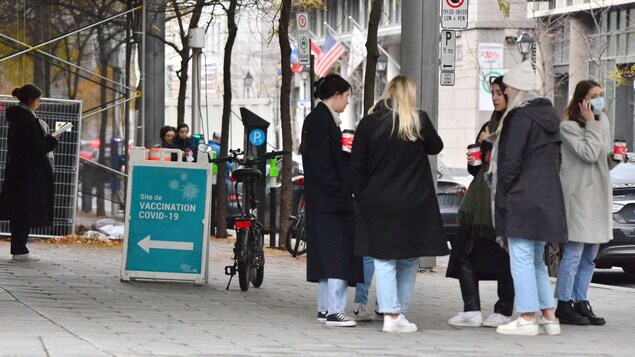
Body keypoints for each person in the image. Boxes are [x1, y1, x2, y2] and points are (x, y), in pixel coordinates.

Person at [350, 75, 448, 333]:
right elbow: (436, 147)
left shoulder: (370, 122)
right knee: (408, 257)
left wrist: (360, 195)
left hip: (378, 200)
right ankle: (397, 311)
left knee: (383, 258)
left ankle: (392, 313)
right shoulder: (417, 120)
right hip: (413, 202)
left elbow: (356, 165)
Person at [492, 61, 567, 336]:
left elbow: (510, 162)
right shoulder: (549, 117)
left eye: (508, 89)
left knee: (522, 257)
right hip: (547, 195)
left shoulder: (519, 118)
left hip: (523, 197)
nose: (506, 93)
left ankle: (526, 318)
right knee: (536, 259)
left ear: (517, 89)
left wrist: (506, 191)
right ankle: (549, 317)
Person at [446, 76, 515, 328]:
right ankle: (471, 309)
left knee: (504, 259)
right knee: (463, 254)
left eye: (499, 92)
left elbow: (508, 159)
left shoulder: (513, 124)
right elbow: (479, 168)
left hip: (500, 204)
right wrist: (473, 161)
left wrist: (488, 142)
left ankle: (504, 309)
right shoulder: (489, 124)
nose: (495, 97)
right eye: (493, 93)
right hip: (477, 203)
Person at [300, 74, 363, 327]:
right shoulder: (321, 122)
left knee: (327, 254)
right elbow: (322, 163)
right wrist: (339, 190)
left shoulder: (320, 120)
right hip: (330, 201)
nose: (347, 102)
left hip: (323, 200)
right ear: (336, 95)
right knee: (337, 253)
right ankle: (336, 310)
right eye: (346, 96)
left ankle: (325, 307)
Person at [554, 80, 617, 326]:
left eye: (601, 95)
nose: (599, 100)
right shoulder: (568, 127)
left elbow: (600, 160)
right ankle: (564, 302)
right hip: (579, 196)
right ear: (581, 101)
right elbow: (588, 153)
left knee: (590, 255)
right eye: (594, 96)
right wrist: (592, 125)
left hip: (598, 194)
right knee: (574, 251)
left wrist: (615, 158)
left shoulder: (601, 123)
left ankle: (581, 300)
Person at [0, 84, 58, 261]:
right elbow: (35, 147)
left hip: (20, 172)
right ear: (31, 100)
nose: (40, 103)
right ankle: (19, 249)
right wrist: (52, 140)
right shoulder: (26, 120)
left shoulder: (20, 118)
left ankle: (20, 248)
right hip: (27, 174)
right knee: (23, 210)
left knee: (20, 209)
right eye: (39, 100)